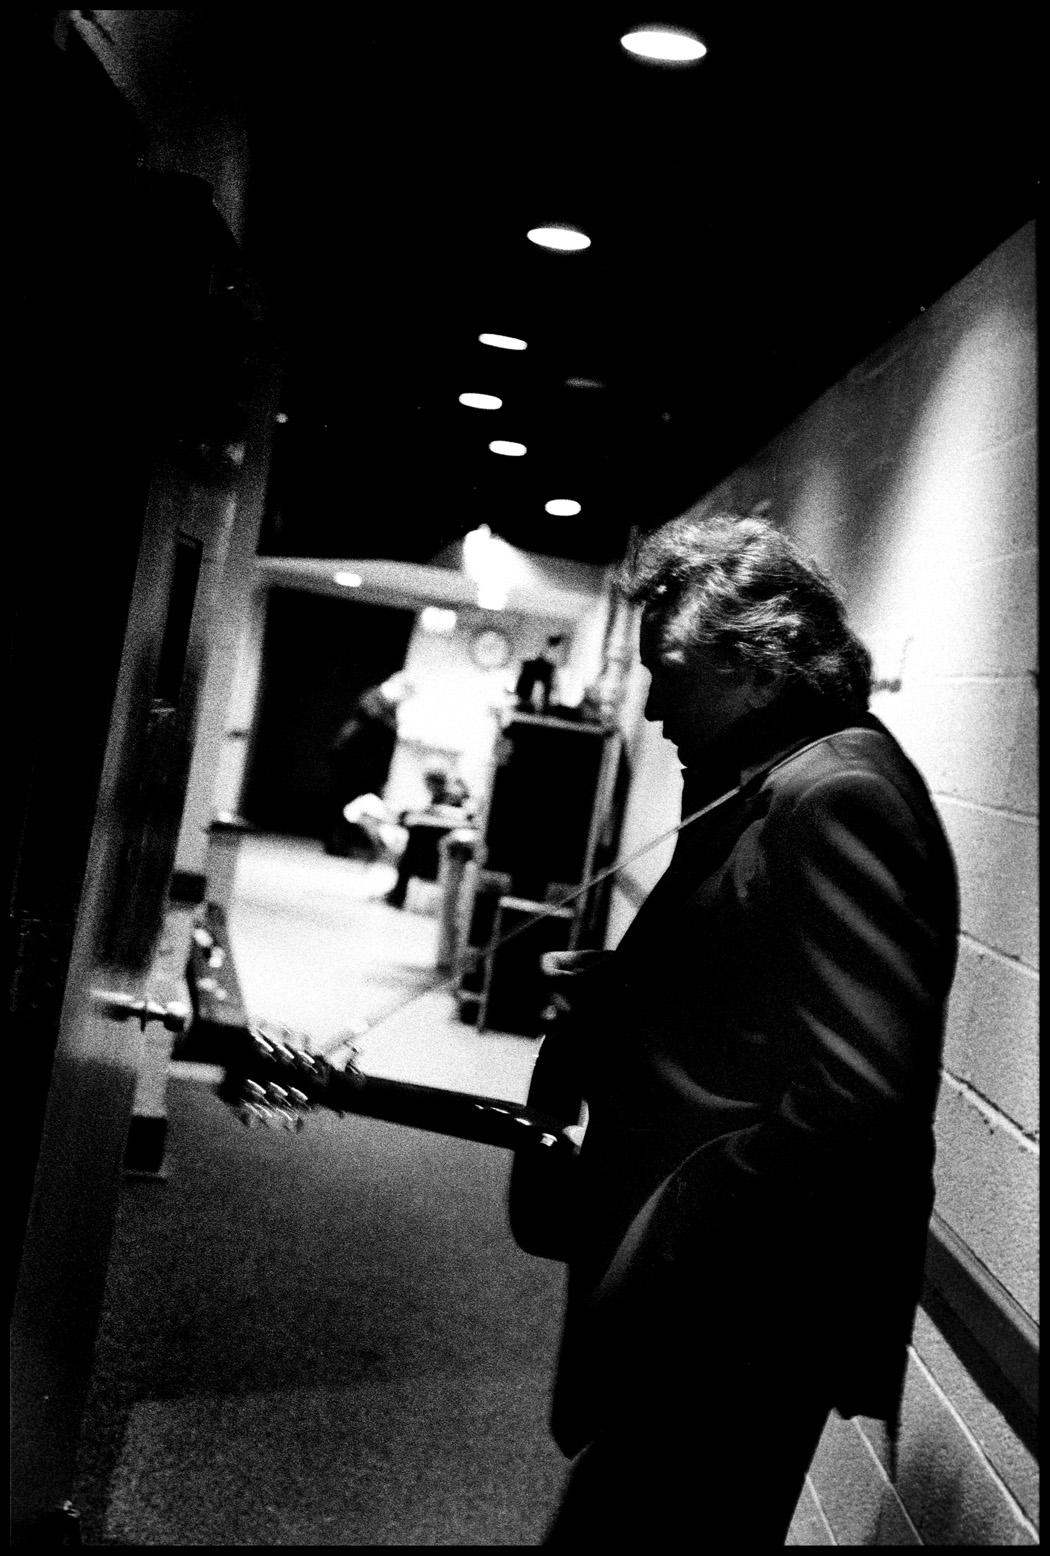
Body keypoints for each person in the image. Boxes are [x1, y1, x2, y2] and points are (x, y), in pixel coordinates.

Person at [535, 512, 959, 1545]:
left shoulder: (838, 794)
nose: (652, 702)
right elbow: (759, 994)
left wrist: (681, 1225)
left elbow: (859, 1100)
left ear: (759, 667)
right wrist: (627, 995)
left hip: (738, 1312)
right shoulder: (768, 774)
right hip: (717, 1304)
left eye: (670, 670)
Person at [324, 676, 410, 857]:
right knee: (341, 801)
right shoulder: (374, 696)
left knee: (353, 804)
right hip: (348, 757)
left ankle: (342, 843)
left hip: (361, 763)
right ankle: (334, 843)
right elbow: (375, 719)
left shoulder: (386, 705)